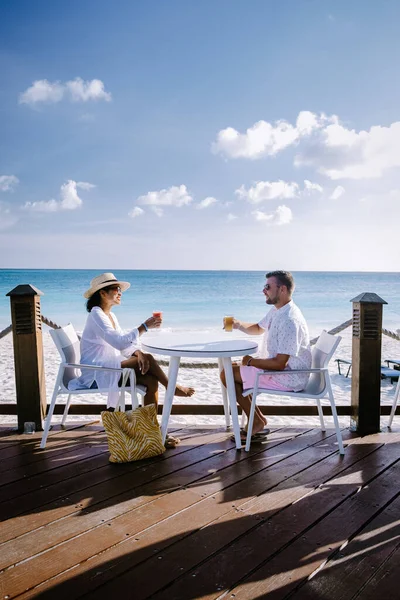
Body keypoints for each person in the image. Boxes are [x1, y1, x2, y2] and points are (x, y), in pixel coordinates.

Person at [70, 272, 195, 447]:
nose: (120, 292)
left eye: (120, 289)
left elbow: (123, 344)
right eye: (116, 289)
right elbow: (118, 341)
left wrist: (138, 353)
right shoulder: (96, 315)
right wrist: (144, 327)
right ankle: (172, 387)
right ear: (102, 293)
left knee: (151, 380)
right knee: (148, 359)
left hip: (109, 366)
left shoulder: (110, 316)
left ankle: (152, 433)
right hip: (97, 373)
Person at [220, 270, 311, 441]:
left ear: (282, 289)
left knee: (228, 374)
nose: (264, 290)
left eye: (268, 287)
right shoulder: (278, 310)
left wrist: (252, 362)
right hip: (282, 370)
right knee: (232, 370)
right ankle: (257, 420)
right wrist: (238, 324)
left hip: (289, 376)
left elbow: (280, 364)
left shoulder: (290, 320)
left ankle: (256, 421)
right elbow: (258, 328)